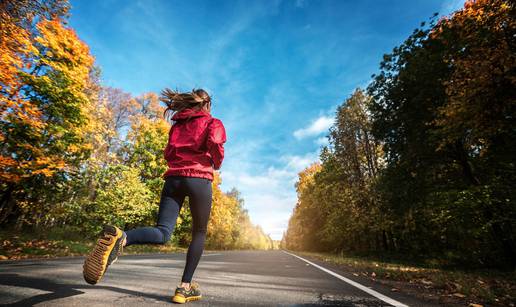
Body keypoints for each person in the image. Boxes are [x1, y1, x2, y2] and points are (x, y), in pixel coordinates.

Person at [82, 88, 226, 304]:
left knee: (163, 231)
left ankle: (124, 237)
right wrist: (215, 162)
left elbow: (168, 153)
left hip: (173, 180)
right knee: (199, 231)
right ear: (207, 104)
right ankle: (184, 287)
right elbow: (215, 145)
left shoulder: (177, 125)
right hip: (199, 179)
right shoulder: (213, 122)